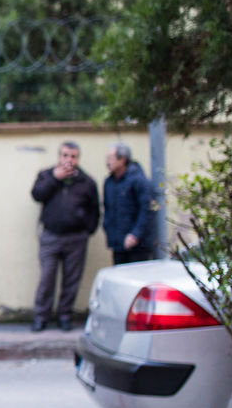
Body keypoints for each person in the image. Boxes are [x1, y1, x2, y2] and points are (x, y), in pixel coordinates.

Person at [29, 141, 99, 332]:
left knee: (71, 280)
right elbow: (37, 194)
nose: (69, 160)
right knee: (47, 278)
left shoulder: (86, 181)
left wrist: (88, 230)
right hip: (51, 236)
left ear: (78, 159)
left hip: (76, 238)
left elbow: (94, 209)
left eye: (73, 156)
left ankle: (65, 316)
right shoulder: (46, 175)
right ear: (59, 157)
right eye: (65, 155)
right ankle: (41, 317)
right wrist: (55, 178)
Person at [102, 142, 156, 264]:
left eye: (111, 158)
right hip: (118, 243)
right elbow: (107, 209)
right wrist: (107, 227)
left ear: (122, 159)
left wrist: (135, 234)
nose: (107, 162)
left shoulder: (138, 180)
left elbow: (146, 209)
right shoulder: (109, 182)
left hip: (138, 245)